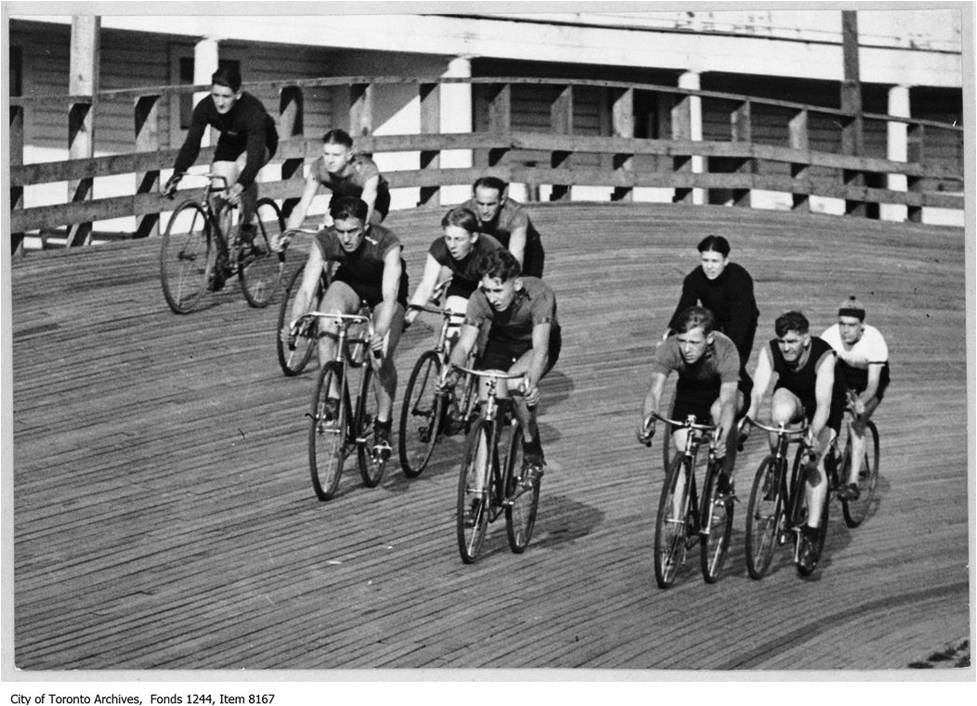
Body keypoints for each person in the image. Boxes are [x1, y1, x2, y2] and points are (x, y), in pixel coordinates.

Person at [282, 196, 407, 457]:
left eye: (353, 232)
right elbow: (306, 290)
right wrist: (294, 322)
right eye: (340, 232)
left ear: (365, 227)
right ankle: (333, 396)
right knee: (326, 322)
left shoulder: (386, 242)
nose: (346, 239)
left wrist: (379, 333)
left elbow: (390, 296)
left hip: (384, 291)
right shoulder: (326, 240)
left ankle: (383, 424)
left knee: (379, 356)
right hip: (350, 282)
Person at [441, 249, 561, 477]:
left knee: (516, 387)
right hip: (502, 341)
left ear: (516, 285)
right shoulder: (479, 298)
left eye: (498, 290)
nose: (492, 297)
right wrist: (453, 373)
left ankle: (530, 443)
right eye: (487, 290)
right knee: (489, 407)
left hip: (534, 346)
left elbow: (540, 350)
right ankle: (480, 489)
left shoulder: (539, 294)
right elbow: (464, 345)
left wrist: (532, 383)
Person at [745, 310, 846, 571]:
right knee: (777, 416)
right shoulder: (771, 350)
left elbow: (823, 404)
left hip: (823, 405)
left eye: (792, 341)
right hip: (793, 394)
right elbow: (757, 391)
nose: (786, 348)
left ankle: (811, 532)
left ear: (805, 339)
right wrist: (748, 417)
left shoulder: (824, 355)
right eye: (782, 342)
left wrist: (813, 437)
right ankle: (777, 468)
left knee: (814, 462)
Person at [165, 65, 279, 291]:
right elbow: (192, 143)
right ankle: (222, 258)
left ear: (237, 94)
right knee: (219, 198)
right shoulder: (205, 107)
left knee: (243, 167)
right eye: (215, 95)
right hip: (230, 142)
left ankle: (248, 225)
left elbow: (255, 158)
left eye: (226, 96)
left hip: (261, 142)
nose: (220, 102)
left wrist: (240, 185)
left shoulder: (253, 111)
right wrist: (177, 174)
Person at [637, 306, 743, 494]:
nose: (687, 349)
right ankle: (679, 519)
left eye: (694, 342)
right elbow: (655, 390)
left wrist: (722, 438)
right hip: (691, 390)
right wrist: (648, 419)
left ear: (709, 339)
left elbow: (728, 401)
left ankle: (726, 473)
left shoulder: (726, 349)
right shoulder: (669, 348)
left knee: (720, 414)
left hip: (723, 390)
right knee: (683, 447)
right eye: (682, 341)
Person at [664, 235, 758, 400]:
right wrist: (671, 335)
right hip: (714, 319)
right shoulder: (695, 278)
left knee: (732, 362)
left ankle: (744, 394)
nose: (709, 266)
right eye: (705, 260)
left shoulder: (740, 279)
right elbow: (684, 308)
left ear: (726, 260)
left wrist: (728, 352)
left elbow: (740, 322)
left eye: (715, 261)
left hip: (743, 319)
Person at [820, 296, 890, 500]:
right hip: (845, 374)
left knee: (855, 423)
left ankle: (852, 483)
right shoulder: (830, 336)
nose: (845, 330)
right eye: (842, 324)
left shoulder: (874, 341)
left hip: (869, 380)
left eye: (851, 325)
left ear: (862, 326)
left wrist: (860, 403)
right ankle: (833, 451)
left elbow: (873, 385)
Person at [276, 129, 390, 250]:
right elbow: (302, 207)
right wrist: (287, 237)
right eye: (326, 154)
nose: (330, 160)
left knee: (360, 236)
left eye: (336, 155)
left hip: (376, 200)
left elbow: (366, 209)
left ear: (349, 155)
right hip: (342, 196)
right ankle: (326, 267)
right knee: (328, 236)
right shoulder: (318, 168)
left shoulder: (367, 170)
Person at [403, 206, 503, 333]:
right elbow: (426, 286)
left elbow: (487, 294)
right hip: (464, 280)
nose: (452, 245)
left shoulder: (489, 250)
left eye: (458, 239)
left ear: (473, 237)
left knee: (481, 332)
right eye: (448, 238)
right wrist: (407, 320)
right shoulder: (439, 247)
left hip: (494, 286)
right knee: (452, 329)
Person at [466, 176, 545, 278]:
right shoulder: (466, 210)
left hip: (526, 248)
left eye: (491, 204)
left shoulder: (516, 214)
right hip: (489, 241)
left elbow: (516, 261)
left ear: (502, 200)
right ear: (474, 199)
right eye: (481, 204)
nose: (485, 210)